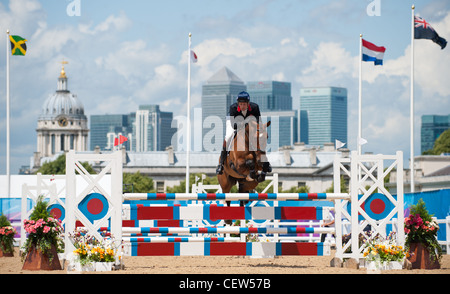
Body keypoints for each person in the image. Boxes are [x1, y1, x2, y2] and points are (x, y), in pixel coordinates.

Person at [216, 91, 272, 175]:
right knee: (228, 136)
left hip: (249, 124)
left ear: (248, 103)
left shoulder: (255, 107)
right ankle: (221, 164)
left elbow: (258, 123)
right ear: (238, 103)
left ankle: (264, 161)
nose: (242, 106)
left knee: (257, 137)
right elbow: (234, 125)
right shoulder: (233, 108)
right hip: (234, 122)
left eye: (244, 104)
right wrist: (245, 123)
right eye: (241, 104)